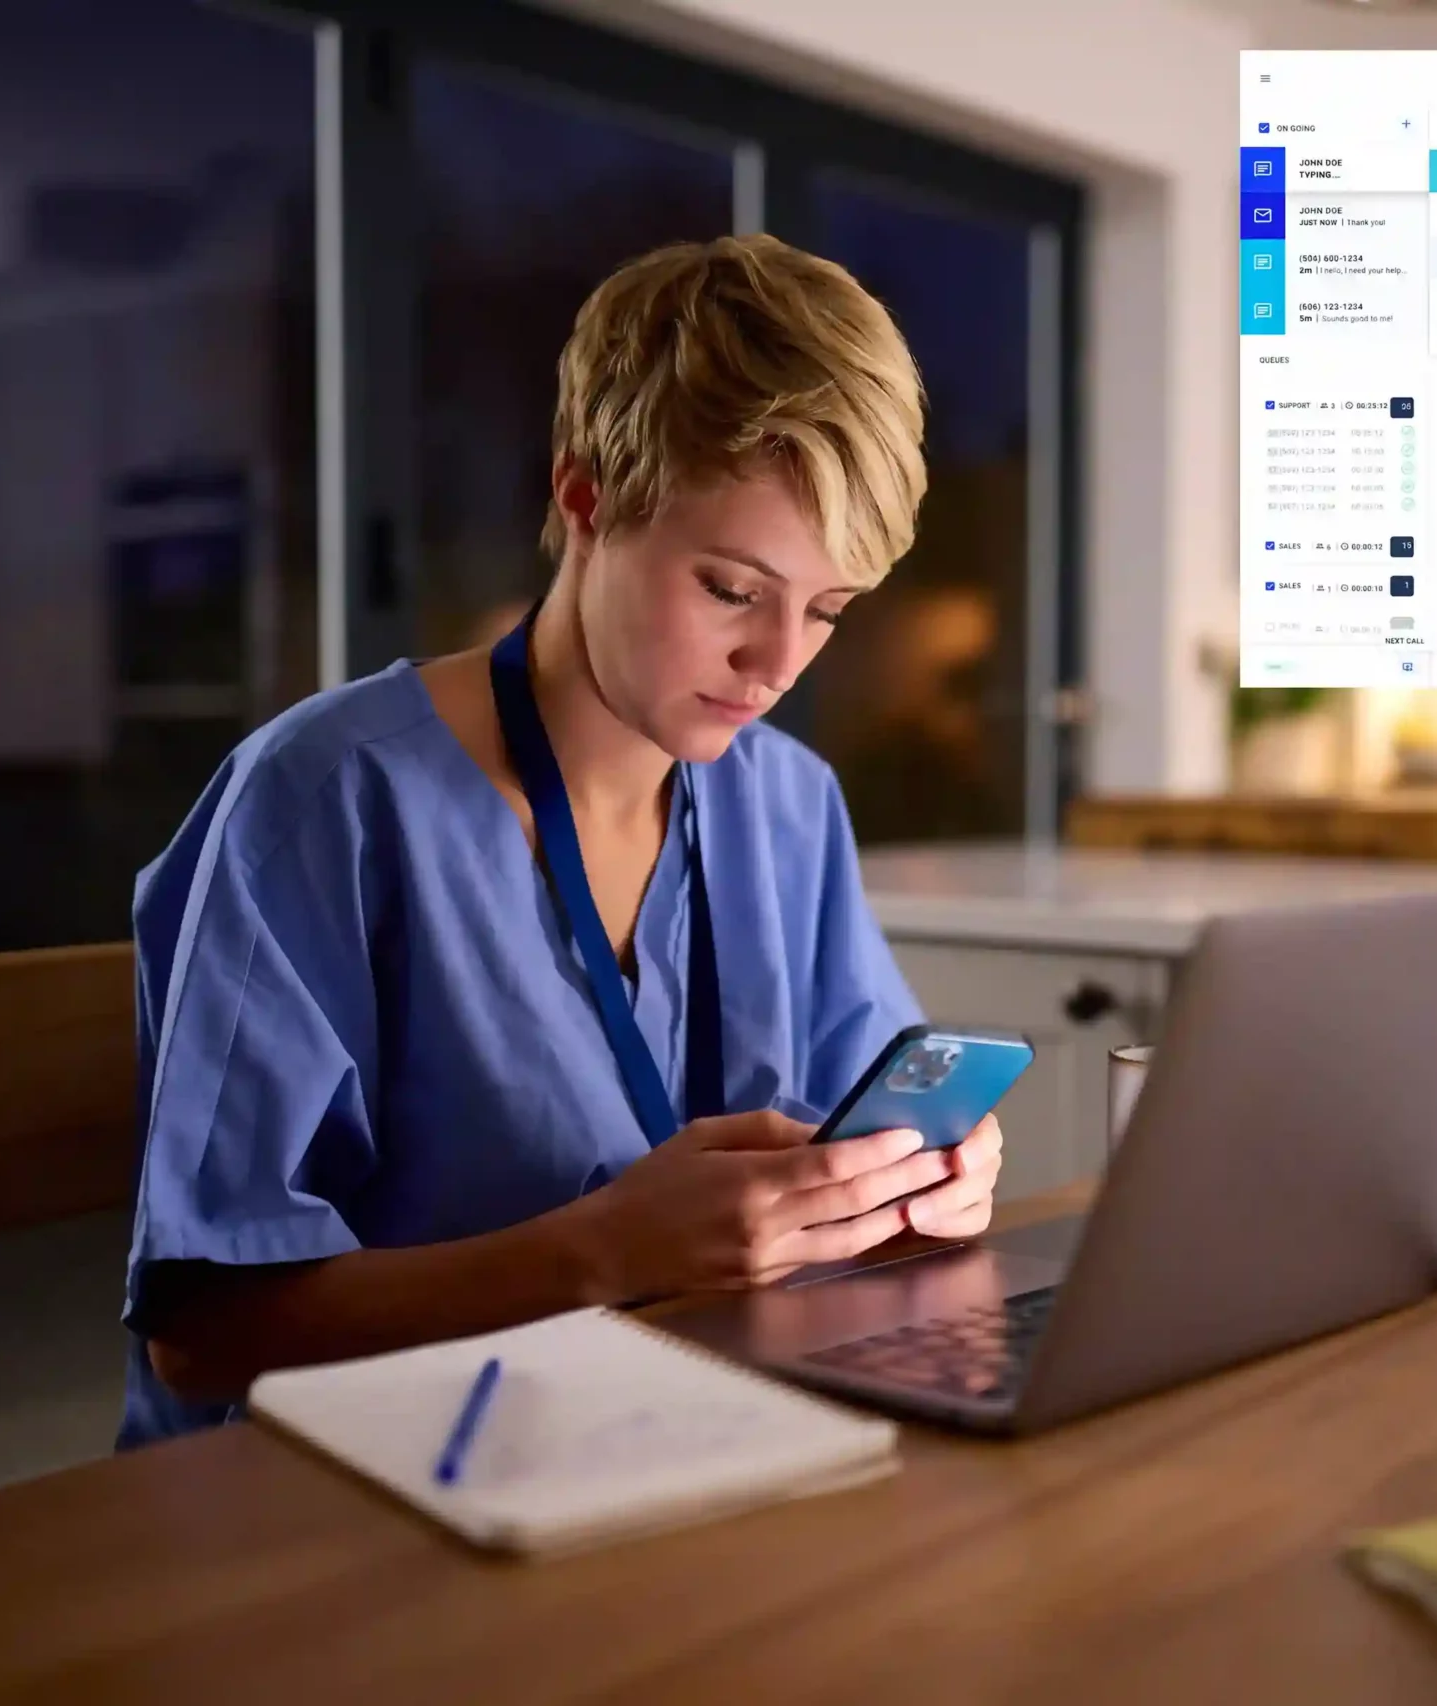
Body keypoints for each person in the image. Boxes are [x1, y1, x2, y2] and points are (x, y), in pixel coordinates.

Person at [115, 235, 1002, 1447]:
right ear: (584, 497)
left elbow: (850, 1135)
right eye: (734, 590)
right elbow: (203, 1329)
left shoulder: (789, 805)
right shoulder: (326, 801)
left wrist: (913, 1184)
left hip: (675, 1449)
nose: (780, 663)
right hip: (349, 1506)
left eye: (828, 609)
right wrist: (595, 1253)